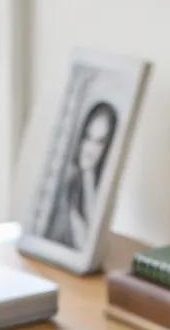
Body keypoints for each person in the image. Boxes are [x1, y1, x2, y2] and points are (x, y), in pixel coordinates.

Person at [45, 99, 118, 250]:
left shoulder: (96, 189)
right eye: (88, 137)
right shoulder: (67, 188)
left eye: (100, 142)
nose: (90, 149)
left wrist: (88, 176)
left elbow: (90, 244)